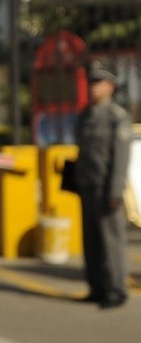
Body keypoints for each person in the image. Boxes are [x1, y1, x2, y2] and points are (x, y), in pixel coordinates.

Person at [74, 66, 132, 309]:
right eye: (92, 82)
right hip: (87, 184)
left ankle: (116, 289)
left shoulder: (116, 116)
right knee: (91, 240)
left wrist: (115, 190)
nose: (94, 87)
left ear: (111, 87)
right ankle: (96, 286)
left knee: (111, 240)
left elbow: (121, 158)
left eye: (99, 83)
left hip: (106, 187)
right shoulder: (85, 115)